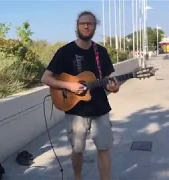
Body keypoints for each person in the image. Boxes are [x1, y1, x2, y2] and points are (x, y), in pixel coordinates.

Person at [41, 11, 120, 180]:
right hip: (75, 110)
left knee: (104, 149)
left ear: (94, 27)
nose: (86, 26)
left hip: (100, 108)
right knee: (77, 150)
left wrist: (114, 88)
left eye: (89, 24)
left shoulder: (101, 52)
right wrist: (69, 85)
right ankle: (78, 177)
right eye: (82, 23)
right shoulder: (65, 51)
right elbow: (45, 78)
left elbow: (107, 80)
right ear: (77, 26)